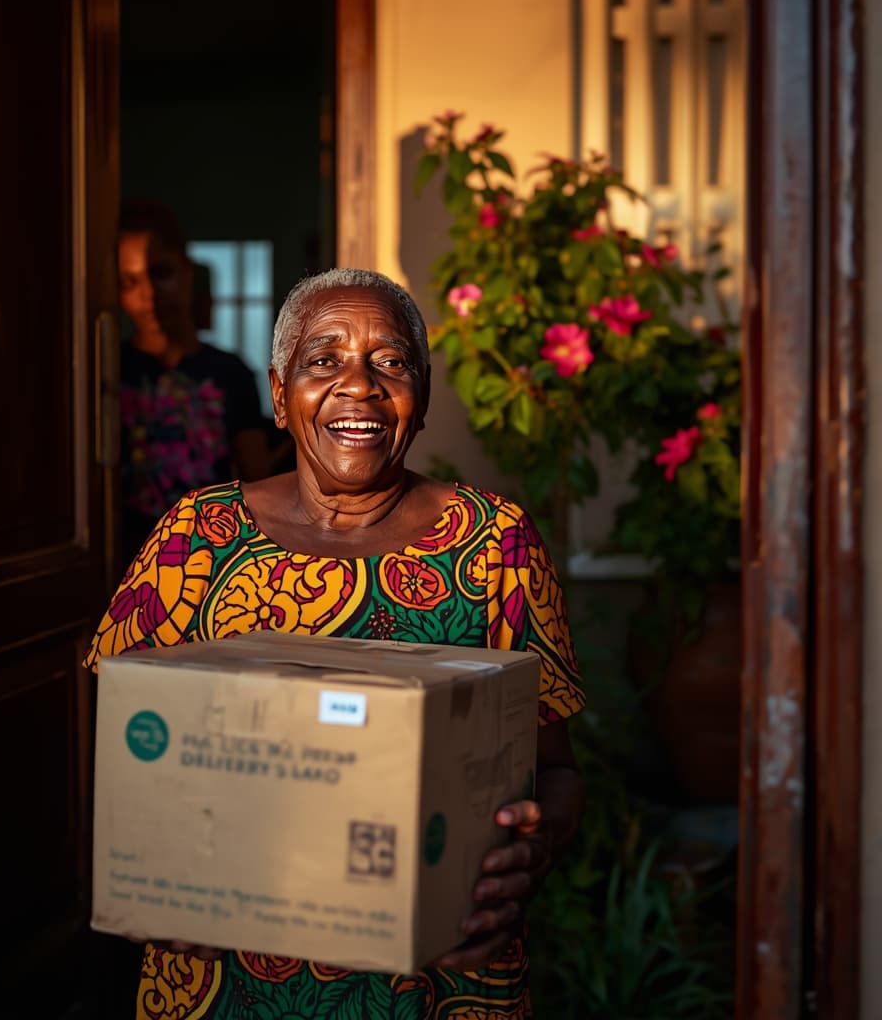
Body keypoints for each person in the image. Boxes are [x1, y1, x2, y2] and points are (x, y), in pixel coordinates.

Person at [85, 268, 586, 1018]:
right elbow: (129, 741)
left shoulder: (493, 542)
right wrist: (143, 863)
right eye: (324, 360)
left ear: (422, 397)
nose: (359, 384)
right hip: (221, 979)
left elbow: (558, 769)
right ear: (279, 394)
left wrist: (533, 851)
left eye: (391, 362)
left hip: (436, 977)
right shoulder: (195, 536)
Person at [117, 198, 271, 562]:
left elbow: (260, 488)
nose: (149, 295)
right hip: (125, 560)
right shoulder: (109, 372)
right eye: (130, 281)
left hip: (212, 558)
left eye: (161, 273)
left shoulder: (230, 373)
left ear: (187, 271)